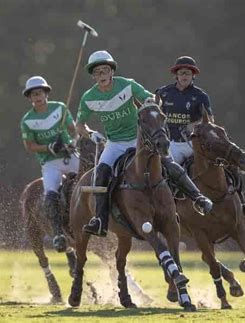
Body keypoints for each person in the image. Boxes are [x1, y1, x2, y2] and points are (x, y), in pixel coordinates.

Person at [76, 50, 213, 237]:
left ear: (111, 72)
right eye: (98, 72)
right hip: (114, 143)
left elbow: (154, 99)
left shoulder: (127, 85)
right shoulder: (88, 98)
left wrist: (149, 102)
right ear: (93, 75)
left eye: (105, 70)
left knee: (168, 162)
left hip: (138, 140)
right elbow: (79, 125)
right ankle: (100, 220)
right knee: (101, 173)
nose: (102, 75)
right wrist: (91, 134)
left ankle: (198, 198)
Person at [156, 56, 245, 217]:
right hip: (172, 144)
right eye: (182, 73)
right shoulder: (163, 93)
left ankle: (242, 201)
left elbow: (209, 121)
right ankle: (168, 210)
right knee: (166, 173)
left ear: (193, 76)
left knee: (229, 163)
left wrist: (193, 125)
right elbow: (154, 115)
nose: (185, 76)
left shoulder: (200, 96)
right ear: (176, 75)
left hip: (194, 144)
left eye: (188, 74)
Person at [20, 76, 79, 252]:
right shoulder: (27, 120)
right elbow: (29, 146)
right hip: (50, 163)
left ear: (46, 93)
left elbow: (74, 130)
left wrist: (73, 143)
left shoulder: (60, 108)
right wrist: (49, 147)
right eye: (33, 95)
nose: (37, 97)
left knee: (91, 181)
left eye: (40, 93)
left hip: (70, 157)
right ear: (29, 98)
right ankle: (58, 235)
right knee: (50, 193)